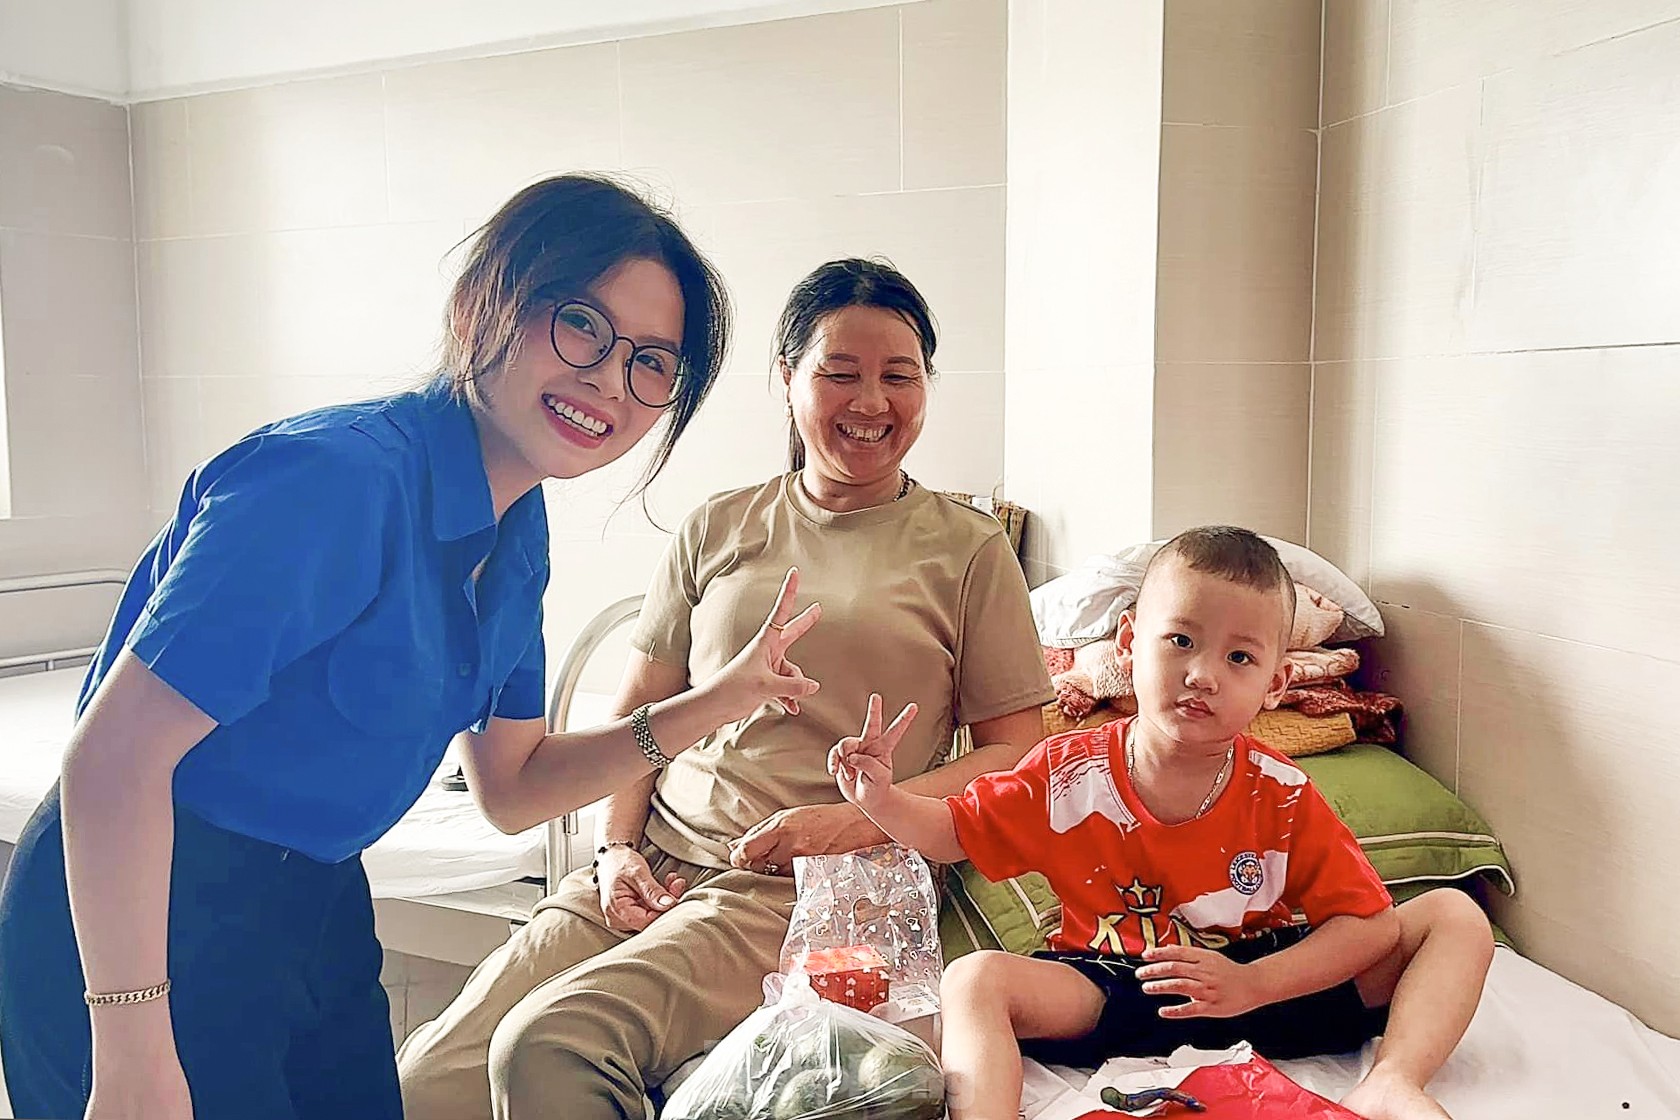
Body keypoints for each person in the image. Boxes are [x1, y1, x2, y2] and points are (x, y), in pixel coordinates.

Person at [0, 174, 828, 1120]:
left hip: (311, 899)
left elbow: (513, 788)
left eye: (652, 362)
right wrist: (135, 1049)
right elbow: (111, 760)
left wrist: (714, 703)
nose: (609, 380)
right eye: (582, 326)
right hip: (142, 908)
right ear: (491, 301)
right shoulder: (334, 480)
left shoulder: (518, 529)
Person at [396, 258, 1056, 1119]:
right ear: (786, 380)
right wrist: (615, 850)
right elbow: (641, 717)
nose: (871, 402)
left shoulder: (969, 551)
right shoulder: (718, 524)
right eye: (839, 373)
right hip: (655, 868)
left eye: (900, 376)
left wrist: (853, 822)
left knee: (552, 1042)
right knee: (422, 1082)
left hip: (812, 889)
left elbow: (1019, 758)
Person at [832, 526, 1497, 1120]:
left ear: (1274, 683)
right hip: (1113, 983)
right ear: (1129, 643)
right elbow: (956, 830)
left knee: (1453, 916)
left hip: (1259, 986)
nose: (1203, 675)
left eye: (1240, 658)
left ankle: (1391, 1082)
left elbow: (1370, 923)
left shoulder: (1285, 792)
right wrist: (882, 800)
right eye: (1180, 640)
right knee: (972, 978)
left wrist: (1251, 984)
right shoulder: (1069, 771)